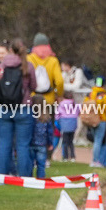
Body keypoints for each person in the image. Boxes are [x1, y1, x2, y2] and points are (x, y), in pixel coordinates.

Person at [0, 39, 36, 177]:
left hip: (4, 108)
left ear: (10, 50)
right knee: (23, 145)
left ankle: (1, 176)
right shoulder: (28, 66)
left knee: (4, 143)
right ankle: (24, 176)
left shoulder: (2, 66)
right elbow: (34, 86)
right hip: (23, 108)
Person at [26, 33, 63, 163]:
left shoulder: (29, 58)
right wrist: (59, 95)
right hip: (49, 100)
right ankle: (46, 157)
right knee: (48, 128)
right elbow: (59, 81)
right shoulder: (53, 61)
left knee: (31, 127)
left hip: (32, 99)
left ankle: (32, 155)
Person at [83, 78, 106, 168]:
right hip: (101, 120)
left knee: (95, 141)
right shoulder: (104, 95)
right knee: (98, 141)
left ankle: (95, 160)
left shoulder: (90, 94)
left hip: (91, 120)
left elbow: (85, 105)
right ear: (104, 85)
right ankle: (95, 161)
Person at [56, 91, 79, 161]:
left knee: (65, 142)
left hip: (65, 124)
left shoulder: (62, 104)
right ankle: (72, 156)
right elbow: (78, 112)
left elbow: (58, 113)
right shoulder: (74, 104)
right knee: (71, 142)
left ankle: (65, 157)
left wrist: (57, 120)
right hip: (73, 123)